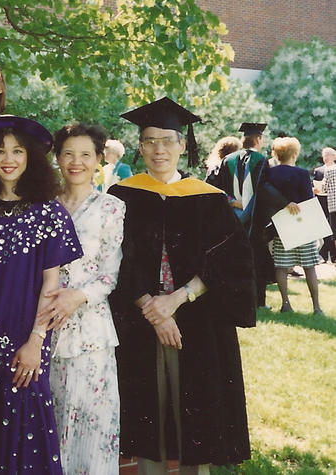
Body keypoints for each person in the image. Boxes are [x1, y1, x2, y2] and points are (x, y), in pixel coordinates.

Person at [108, 97, 256, 474]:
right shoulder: (121, 196)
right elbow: (114, 258)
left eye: (167, 140)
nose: (159, 149)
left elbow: (232, 258)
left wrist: (179, 297)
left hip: (198, 321)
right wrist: (152, 310)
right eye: (150, 141)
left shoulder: (207, 198)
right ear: (139, 147)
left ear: (182, 145)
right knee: (146, 413)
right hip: (140, 321)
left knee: (198, 420)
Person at [0, 116, 82, 474]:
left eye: (17, 151)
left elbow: (50, 285)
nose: (8, 158)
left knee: (26, 438)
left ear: (30, 158)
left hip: (24, 345)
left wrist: (36, 341)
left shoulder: (49, 213)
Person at [35, 123, 124, 474]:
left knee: (91, 426)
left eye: (86, 154)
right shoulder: (42, 206)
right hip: (44, 327)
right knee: (50, 421)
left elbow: (110, 272)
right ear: (57, 158)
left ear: (99, 159)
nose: (77, 162)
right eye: (68, 153)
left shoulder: (111, 207)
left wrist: (78, 296)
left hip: (90, 331)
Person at [209, 122, 288, 309]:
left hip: (230, 221)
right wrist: (285, 203)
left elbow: (213, 186)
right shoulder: (261, 160)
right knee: (257, 262)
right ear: (258, 139)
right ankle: (258, 302)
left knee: (232, 259)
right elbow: (265, 189)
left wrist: (231, 202)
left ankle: (232, 299)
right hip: (255, 224)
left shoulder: (227, 159)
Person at [268, 137, 323, 314]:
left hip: (280, 225)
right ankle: (316, 307)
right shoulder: (301, 173)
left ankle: (285, 304)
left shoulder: (270, 173)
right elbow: (308, 200)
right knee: (309, 266)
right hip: (302, 225)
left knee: (282, 267)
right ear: (295, 153)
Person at [313, 147, 336, 263]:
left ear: (334, 156)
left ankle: (333, 255)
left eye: (328, 155)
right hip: (322, 201)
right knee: (323, 228)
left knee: (333, 229)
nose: (326, 157)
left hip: (333, 202)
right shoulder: (318, 170)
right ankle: (323, 254)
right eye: (324, 155)